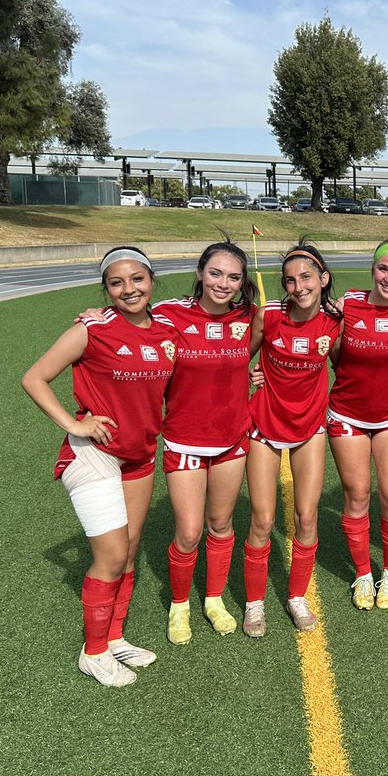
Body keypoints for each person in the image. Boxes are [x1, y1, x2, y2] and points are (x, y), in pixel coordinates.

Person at [21, 246, 178, 687]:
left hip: (140, 454)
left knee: (128, 552)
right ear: (106, 289)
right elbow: (34, 378)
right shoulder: (93, 328)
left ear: (152, 280)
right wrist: (75, 422)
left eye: (137, 279)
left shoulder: (166, 330)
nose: (129, 289)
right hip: (94, 454)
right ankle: (93, 653)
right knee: (109, 557)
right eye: (116, 282)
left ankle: (113, 638)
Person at [154, 242, 258, 644]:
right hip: (184, 439)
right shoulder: (168, 313)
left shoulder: (248, 317)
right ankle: (179, 604)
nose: (223, 283)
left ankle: (213, 599)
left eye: (233, 277)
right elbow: (124, 325)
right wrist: (96, 314)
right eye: (215, 273)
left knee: (221, 524)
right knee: (190, 532)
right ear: (199, 272)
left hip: (232, 438)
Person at [246, 242, 342, 632]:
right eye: (290, 279)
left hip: (309, 428)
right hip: (264, 425)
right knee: (263, 519)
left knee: (306, 516)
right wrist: (252, 374)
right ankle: (254, 603)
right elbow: (237, 357)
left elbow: (348, 366)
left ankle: (296, 596)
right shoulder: (268, 316)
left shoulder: (337, 321)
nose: (298, 286)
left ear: (323, 279)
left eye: (306, 277)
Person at [328, 238, 388, 609]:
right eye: (383, 269)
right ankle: (363, 575)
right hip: (348, 415)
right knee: (356, 497)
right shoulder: (348, 304)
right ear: (373, 269)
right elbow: (324, 347)